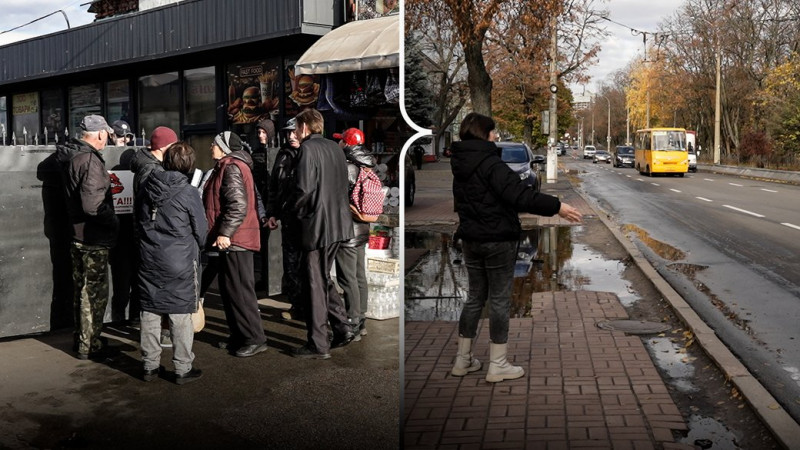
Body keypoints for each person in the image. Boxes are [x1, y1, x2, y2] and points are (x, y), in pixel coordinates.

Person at [450, 112, 583, 383]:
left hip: (471, 240)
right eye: (493, 132)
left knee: (475, 298)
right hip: (498, 240)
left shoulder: (459, 165)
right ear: (483, 135)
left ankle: (462, 361)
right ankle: (497, 364)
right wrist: (557, 207)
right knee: (499, 299)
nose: (497, 136)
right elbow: (520, 196)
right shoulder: (492, 165)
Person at [136, 141, 207, 384]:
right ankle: (182, 368)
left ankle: (149, 365)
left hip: (149, 256)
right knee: (180, 312)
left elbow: (139, 220)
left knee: (150, 309)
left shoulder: (147, 186)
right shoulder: (188, 192)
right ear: (188, 165)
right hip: (180, 259)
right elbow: (201, 229)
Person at [291, 109, 355, 359]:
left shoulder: (308, 149)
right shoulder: (335, 148)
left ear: (305, 127)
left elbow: (304, 189)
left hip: (317, 225)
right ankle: (342, 328)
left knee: (315, 283)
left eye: (297, 128)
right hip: (338, 224)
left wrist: (293, 212)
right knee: (321, 278)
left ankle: (318, 343)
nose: (295, 132)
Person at [55, 114, 119, 360]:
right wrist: (113, 221)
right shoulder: (90, 160)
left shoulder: (71, 155)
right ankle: (89, 345)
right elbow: (93, 206)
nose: (108, 139)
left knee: (81, 291)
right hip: (93, 237)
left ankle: (83, 339)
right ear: (101, 133)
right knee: (93, 294)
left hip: (77, 235)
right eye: (107, 135)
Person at [203, 131, 268, 358]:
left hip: (237, 239)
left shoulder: (231, 166)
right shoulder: (226, 166)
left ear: (223, 147)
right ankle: (239, 335)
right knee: (230, 290)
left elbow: (238, 205)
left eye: (214, 143)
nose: (210, 146)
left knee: (240, 291)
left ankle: (254, 338)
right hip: (232, 239)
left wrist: (225, 232)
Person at [129, 126, 179, 347]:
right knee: (157, 285)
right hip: (154, 235)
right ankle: (159, 334)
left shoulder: (146, 166)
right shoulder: (153, 171)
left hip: (145, 233)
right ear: (164, 147)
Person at [333, 127, 374, 340]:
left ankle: (353, 322)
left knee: (347, 278)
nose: (338, 144)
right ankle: (362, 321)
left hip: (348, 230)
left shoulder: (346, 167)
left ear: (347, 144)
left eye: (340, 141)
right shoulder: (367, 164)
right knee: (359, 276)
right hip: (363, 227)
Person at [266, 118, 305, 321]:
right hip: (288, 218)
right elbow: (274, 187)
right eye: (288, 133)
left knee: (306, 266)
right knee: (290, 266)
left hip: (307, 221)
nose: (291, 136)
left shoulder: (310, 153)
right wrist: (272, 213)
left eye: (294, 132)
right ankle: (296, 305)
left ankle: (309, 307)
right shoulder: (283, 154)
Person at [252, 119, 275, 293]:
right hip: (261, 202)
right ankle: (265, 279)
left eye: (264, 132)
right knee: (263, 245)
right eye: (259, 132)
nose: (261, 135)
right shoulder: (256, 153)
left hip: (273, 203)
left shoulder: (278, 153)